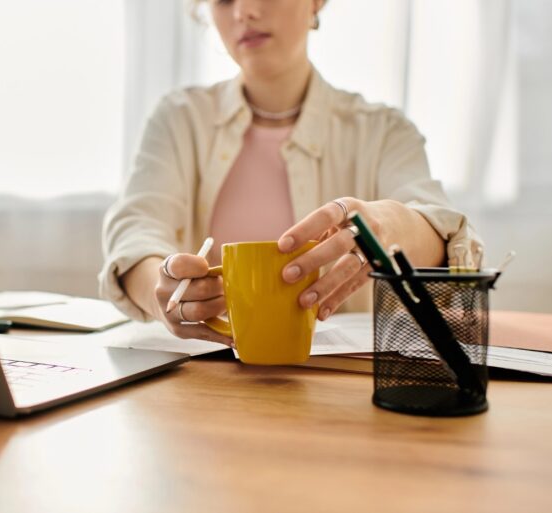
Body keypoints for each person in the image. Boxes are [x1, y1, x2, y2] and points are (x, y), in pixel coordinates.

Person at [99, 0, 482, 346]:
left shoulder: (384, 131)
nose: (243, 11)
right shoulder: (179, 119)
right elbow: (135, 231)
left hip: (343, 390)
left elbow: (442, 235)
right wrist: (161, 289)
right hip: (207, 381)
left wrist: (390, 225)